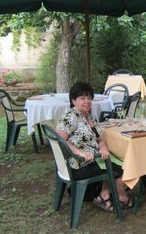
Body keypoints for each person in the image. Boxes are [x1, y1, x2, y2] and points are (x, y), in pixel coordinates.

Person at [55, 81, 132, 212]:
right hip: (79, 165)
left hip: (92, 159)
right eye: (82, 98)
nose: (87, 101)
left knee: (115, 159)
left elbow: (99, 138)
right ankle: (119, 197)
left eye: (89, 97)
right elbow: (59, 139)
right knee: (120, 168)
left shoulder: (88, 116)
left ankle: (105, 194)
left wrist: (103, 147)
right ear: (73, 101)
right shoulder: (71, 117)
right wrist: (80, 152)